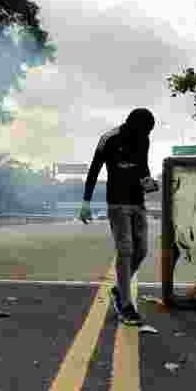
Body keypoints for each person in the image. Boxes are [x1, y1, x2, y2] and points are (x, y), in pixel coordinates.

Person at [79, 108, 157, 326]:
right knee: (126, 250)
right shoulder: (109, 139)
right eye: (143, 131)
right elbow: (94, 170)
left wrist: (149, 183)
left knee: (141, 251)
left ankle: (119, 290)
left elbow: (142, 167)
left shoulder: (144, 139)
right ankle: (125, 304)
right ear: (131, 126)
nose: (145, 136)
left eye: (148, 133)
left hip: (138, 202)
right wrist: (86, 202)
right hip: (117, 203)